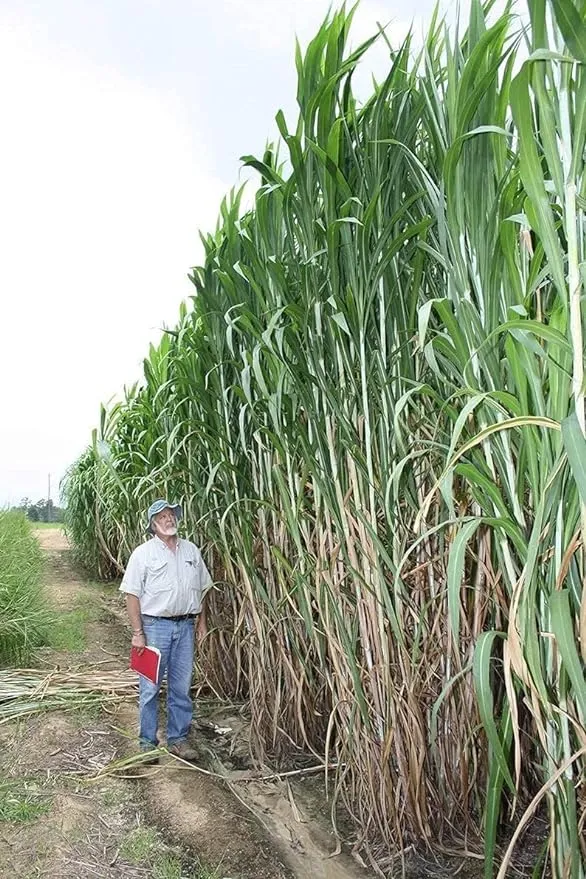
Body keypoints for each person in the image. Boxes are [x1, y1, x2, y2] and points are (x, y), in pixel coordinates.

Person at [120, 498, 212, 762]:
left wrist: (201, 622)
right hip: (154, 628)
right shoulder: (143, 554)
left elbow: (203, 589)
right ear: (153, 524)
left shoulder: (192, 551)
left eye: (171, 515)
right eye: (161, 517)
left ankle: (178, 740)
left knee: (181, 687)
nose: (168, 519)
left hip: (185, 627)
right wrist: (138, 633)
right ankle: (147, 743)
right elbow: (131, 595)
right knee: (149, 688)